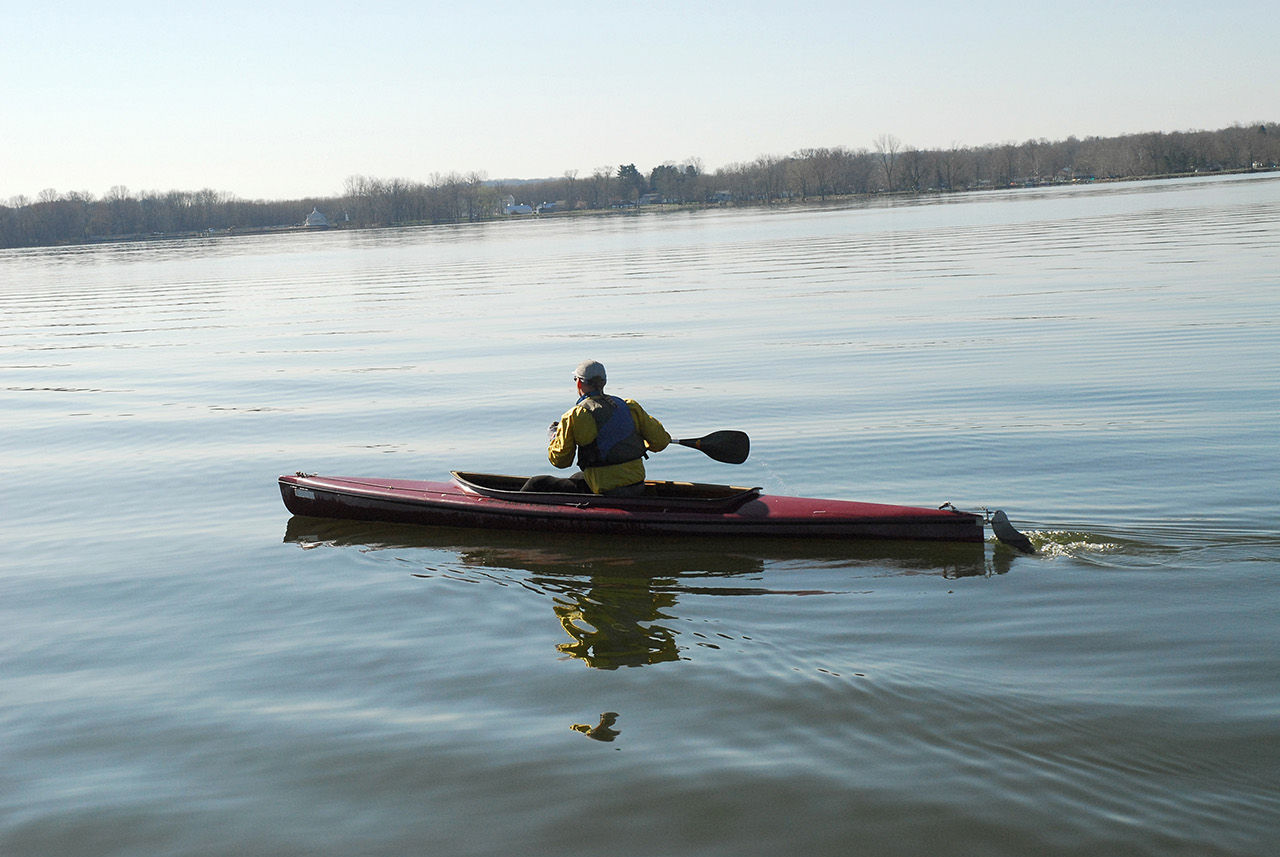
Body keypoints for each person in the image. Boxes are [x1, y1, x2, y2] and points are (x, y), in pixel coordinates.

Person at [522, 360, 671, 497]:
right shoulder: (629, 407)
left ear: (579, 383)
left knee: (537, 483)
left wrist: (554, 437)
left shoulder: (576, 415)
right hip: (637, 486)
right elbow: (661, 442)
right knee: (576, 478)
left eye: (575, 380)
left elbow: (561, 461)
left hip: (606, 490)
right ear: (604, 382)